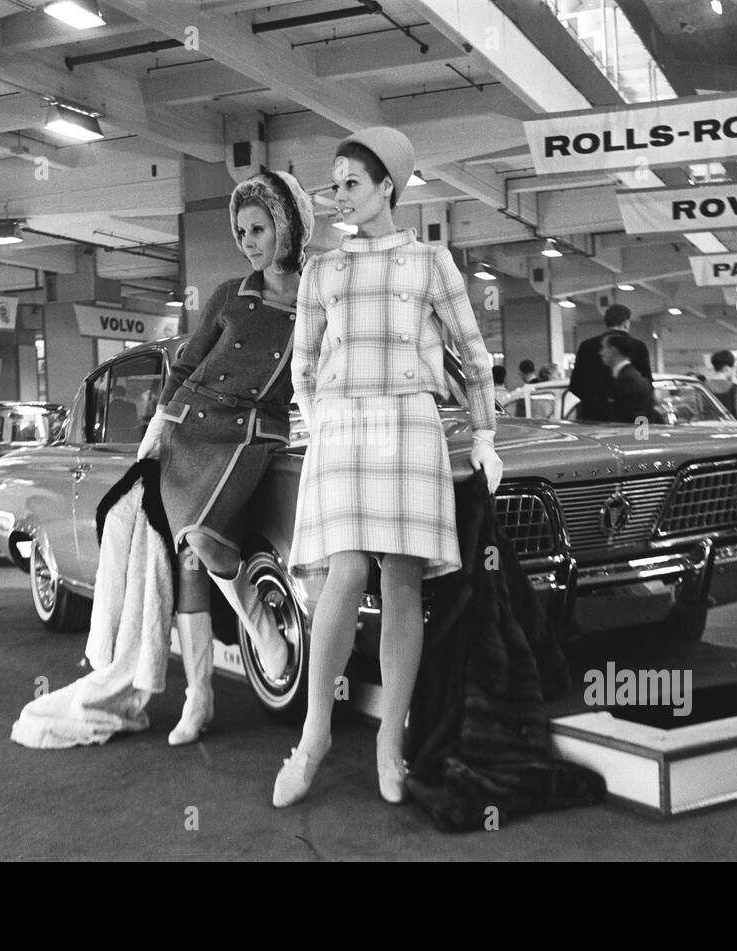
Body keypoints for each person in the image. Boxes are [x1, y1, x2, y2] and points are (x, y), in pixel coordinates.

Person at [274, 126, 502, 808]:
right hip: (343, 425)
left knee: (403, 578)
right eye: (335, 183)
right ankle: (313, 735)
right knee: (344, 571)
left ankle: (389, 742)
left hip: (408, 420)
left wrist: (486, 434)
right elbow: (304, 363)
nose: (339, 195)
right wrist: (315, 418)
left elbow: (473, 350)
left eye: (350, 182)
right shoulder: (321, 269)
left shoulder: (431, 261)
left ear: (385, 188)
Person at [132, 170, 312, 745]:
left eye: (258, 229)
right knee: (190, 557)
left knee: (203, 537)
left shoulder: (319, 299)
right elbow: (186, 366)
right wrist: (158, 425)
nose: (248, 242)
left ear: (286, 228)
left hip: (254, 434)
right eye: (241, 232)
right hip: (190, 426)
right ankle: (199, 696)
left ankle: (259, 625)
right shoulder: (228, 294)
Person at [568, 304, 652, 422]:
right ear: (626, 323)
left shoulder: (587, 346)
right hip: (628, 420)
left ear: (606, 323)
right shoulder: (639, 347)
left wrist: (593, 400)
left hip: (592, 416)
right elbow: (647, 384)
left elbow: (575, 385)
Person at [602, 333, 657, 424]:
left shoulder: (627, 381)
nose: (601, 352)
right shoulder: (631, 376)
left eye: (604, 348)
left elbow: (631, 421)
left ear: (613, 351)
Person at [705, 350, 737, 422]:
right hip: (731, 428)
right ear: (726, 368)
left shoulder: (704, 386)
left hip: (711, 428)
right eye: (732, 367)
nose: (732, 371)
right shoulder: (734, 388)